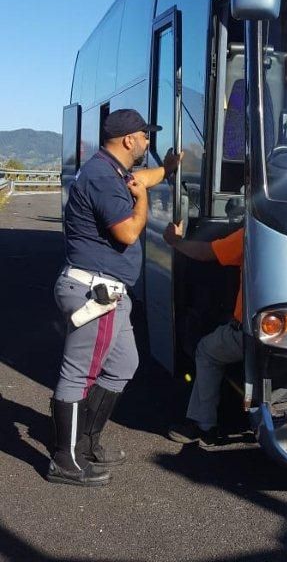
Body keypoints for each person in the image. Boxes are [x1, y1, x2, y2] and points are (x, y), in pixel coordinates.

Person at [48, 108, 182, 487]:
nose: (147, 141)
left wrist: (168, 169)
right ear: (128, 140)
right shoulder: (103, 178)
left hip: (110, 291)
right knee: (78, 373)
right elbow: (126, 233)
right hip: (95, 290)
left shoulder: (113, 170)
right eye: (144, 135)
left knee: (124, 363)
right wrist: (141, 201)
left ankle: (87, 441)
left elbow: (143, 178)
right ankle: (65, 459)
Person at [162, 221, 244, 449]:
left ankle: (204, 425)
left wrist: (176, 242)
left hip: (252, 333)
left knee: (207, 351)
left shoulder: (255, 233)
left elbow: (207, 253)